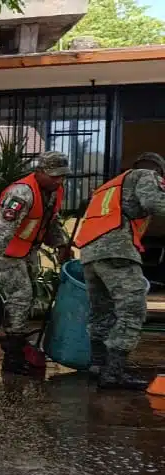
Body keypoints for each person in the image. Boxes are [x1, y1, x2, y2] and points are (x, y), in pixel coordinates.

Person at [0, 151, 72, 375]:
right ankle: (13, 357)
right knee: (21, 298)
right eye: (54, 176)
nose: (58, 181)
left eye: (62, 176)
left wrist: (61, 245)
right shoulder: (21, 193)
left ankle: (16, 349)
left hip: (27, 252)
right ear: (39, 172)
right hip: (7, 253)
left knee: (25, 300)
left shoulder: (54, 192)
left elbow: (51, 221)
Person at [72, 152, 165, 389]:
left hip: (91, 254)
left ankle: (98, 365)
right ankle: (113, 373)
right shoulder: (147, 175)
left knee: (102, 311)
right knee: (132, 309)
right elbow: (154, 203)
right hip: (117, 250)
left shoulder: (109, 187)